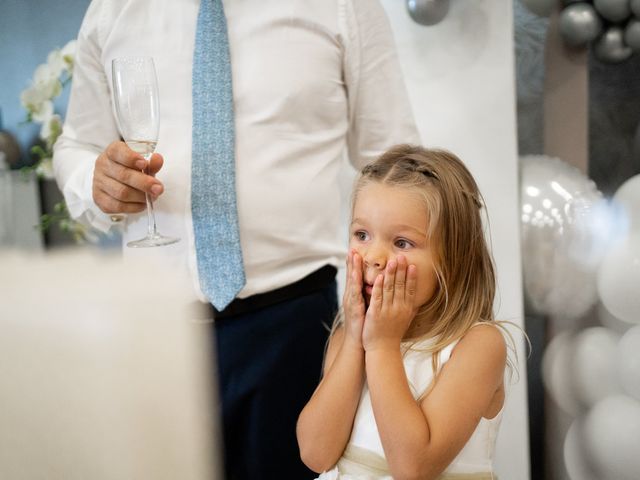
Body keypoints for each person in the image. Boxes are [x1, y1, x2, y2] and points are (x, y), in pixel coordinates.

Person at [53, 1, 419, 479]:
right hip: (157, 332)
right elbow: (77, 144)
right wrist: (91, 182)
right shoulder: (113, 10)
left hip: (298, 328)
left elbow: (396, 159)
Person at [297, 145, 515, 480]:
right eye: (362, 235)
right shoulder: (349, 338)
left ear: (453, 259)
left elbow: (413, 468)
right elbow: (315, 452)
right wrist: (356, 341)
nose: (373, 256)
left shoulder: (478, 346)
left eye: (401, 243)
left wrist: (383, 347)